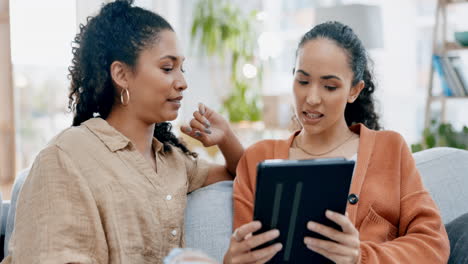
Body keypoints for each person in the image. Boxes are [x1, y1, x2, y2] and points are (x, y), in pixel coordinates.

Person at [2, 1, 243, 263]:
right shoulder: (65, 156)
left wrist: (226, 137)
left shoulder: (172, 161)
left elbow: (243, 174)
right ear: (121, 74)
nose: (183, 83)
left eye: (181, 68)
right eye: (167, 68)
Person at [225, 21, 450, 264]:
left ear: (354, 90)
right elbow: (247, 250)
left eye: (330, 86)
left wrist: (360, 257)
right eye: (302, 81)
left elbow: (433, 244)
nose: (311, 99)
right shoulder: (258, 157)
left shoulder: (390, 149)